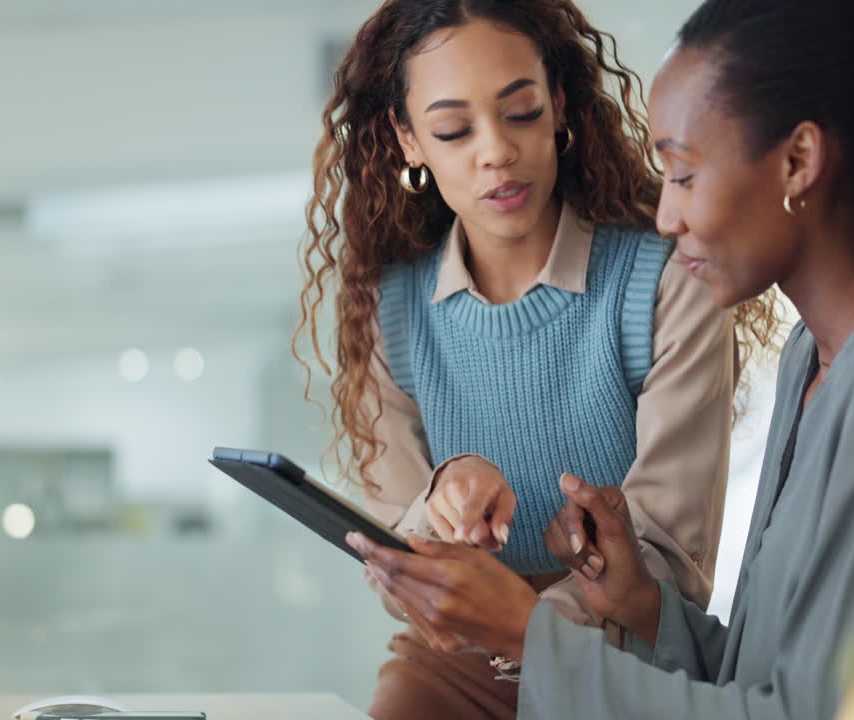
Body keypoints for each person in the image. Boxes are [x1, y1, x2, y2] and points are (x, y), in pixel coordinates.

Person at [349, 0, 854, 717]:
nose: (665, 216)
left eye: (683, 174)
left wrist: (528, 634)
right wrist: (640, 603)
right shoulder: (818, 357)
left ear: (798, 161)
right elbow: (764, 678)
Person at [295, 1, 779, 717]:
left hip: (613, 662)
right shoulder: (387, 309)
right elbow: (396, 557)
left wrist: (527, 627)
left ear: (559, 105)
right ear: (407, 140)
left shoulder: (664, 282)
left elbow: (670, 556)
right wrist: (442, 497)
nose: (495, 151)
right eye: (454, 130)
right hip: (452, 667)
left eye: (520, 112)